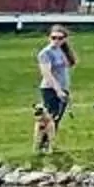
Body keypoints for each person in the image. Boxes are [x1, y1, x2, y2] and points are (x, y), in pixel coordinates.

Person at [32, 23, 71, 152]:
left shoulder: (62, 51)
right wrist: (58, 90)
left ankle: (49, 144)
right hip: (50, 89)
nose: (56, 41)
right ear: (49, 37)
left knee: (56, 119)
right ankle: (42, 145)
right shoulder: (45, 53)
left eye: (60, 38)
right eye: (53, 37)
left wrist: (64, 89)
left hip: (62, 88)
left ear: (64, 39)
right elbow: (47, 73)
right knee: (48, 119)